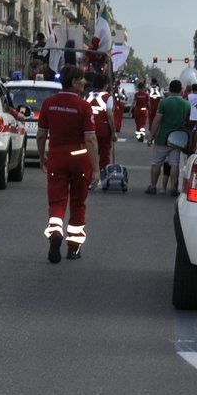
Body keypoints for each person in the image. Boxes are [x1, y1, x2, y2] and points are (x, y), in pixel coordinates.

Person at [36, 65, 99, 263]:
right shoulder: (83, 106)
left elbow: (40, 135)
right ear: (73, 82)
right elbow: (90, 139)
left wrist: (41, 157)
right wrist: (96, 168)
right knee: (78, 202)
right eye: (81, 79)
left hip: (56, 156)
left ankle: (55, 231)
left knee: (57, 201)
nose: (84, 83)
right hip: (79, 158)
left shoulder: (49, 103)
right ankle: (73, 247)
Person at [146, 80, 191, 196]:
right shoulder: (186, 104)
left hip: (162, 138)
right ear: (181, 89)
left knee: (156, 163)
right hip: (178, 139)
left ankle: (153, 186)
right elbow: (187, 122)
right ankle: (173, 189)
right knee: (174, 164)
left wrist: (151, 136)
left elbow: (157, 120)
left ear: (170, 89)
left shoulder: (164, 103)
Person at [85, 70, 116, 176]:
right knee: (104, 155)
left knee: (89, 154)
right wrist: (114, 132)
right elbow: (110, 115)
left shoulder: (87, 96)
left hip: (89, 129)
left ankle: (88, 178)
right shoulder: (108, 97)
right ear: (105, 85)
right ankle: (104, 177)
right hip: (103, 130)